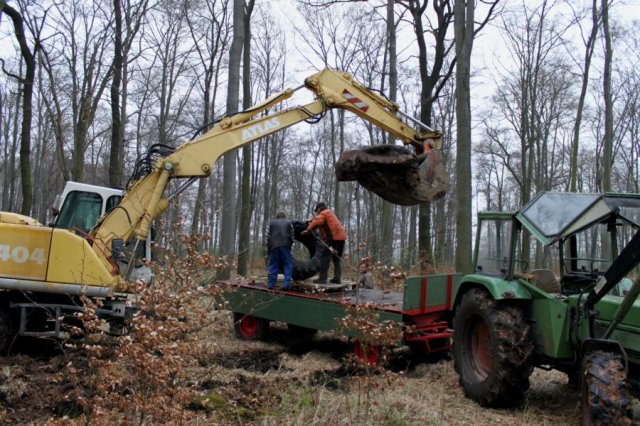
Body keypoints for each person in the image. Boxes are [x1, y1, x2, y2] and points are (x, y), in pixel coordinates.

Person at [302, 202, 346, 284]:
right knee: (336, 259)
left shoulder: (324, 213)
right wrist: (311, 220)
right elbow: (318, 220)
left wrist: (307, 230)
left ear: (320, 209)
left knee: (324, 258)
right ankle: (337, 278)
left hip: (333, 238)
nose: (317, 212)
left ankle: (322, 279)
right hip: (342, 238)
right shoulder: (329, 213)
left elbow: (317, 221)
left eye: (317, 210)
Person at [267, 211, 294, 290]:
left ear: (277, 216)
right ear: (284, 216)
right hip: (286, 245)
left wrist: (269, 248)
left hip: (274, 246)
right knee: (287, 264)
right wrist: (290, 246)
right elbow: (292, 236)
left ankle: (270, 284)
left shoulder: (272, 223)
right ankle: (286, 284)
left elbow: (268, 236)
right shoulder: (289, 223)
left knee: (273, 264)